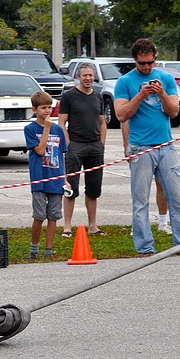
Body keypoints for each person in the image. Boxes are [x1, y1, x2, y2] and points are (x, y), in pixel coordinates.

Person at [113, 38, 180, 255]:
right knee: (140, 202)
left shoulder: (165, 78)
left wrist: (162, 93)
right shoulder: (124, 82)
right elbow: (121, 114)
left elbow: (174, 112)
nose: (146, 67)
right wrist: (140, 95)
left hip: (165, 147)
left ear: (155, 59)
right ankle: (145, 247)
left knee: (177, 199)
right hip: (140, 148)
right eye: (141, 63)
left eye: (150, 63)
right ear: (134, 61)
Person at [60, 62, 106, 237]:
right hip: (75, 146)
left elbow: (102, 122)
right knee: (71, 188)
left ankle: (93, 226)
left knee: (94, 189)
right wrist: (68, 145)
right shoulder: (69, 96)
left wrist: (101, 144)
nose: (88, 78)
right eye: (85, 75)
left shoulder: (98, 96)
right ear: (78, 77)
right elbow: (62, 122)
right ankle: (67, 227)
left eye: (90, 75)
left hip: (95, 146)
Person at [24, 91, 67, 258]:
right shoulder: (30, 129)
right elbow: (40, 151)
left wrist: (65, 178)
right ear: (34, 109)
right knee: (39, 215)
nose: (47, 111)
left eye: (50, 107)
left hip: (56, 179)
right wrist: (47, 129)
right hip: (39, 179)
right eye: (43, 108)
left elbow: (62, 155)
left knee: (53, 216)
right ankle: (34, 249)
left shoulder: (58, 129)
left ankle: (48, 250)